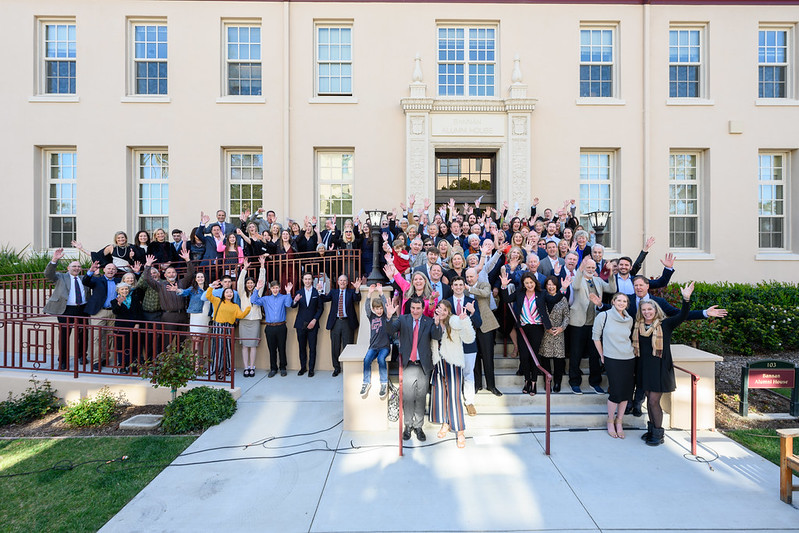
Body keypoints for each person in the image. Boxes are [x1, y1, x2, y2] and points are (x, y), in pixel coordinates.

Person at [634, 281, 695, 446]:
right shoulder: (637, 326)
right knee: (648, 399)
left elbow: (682, 315)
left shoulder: (665, 324)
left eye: (650, 309)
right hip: (644, 368)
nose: (647, 312)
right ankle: (651, 430)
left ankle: (659, 434)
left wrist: (686, 299)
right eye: (644, 310)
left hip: (660, 369)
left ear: (656, 310)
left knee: (654, 401)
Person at [501, 271, 568, 395]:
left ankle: (534, 382)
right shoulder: (520, 293)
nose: (529, 285)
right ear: (523, 284)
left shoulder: (542, 293)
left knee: (534, 356)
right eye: (526, 283)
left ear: (534, 282)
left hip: (537, 328)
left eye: (531, 282)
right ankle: (526, 380)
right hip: (522, 328)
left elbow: (554, 299)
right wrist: (504, 286)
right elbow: (506, 299)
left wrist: (563, 288)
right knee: (524, 357)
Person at [386, 297, 443, 442]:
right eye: (413, 308)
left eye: (418, 308)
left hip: (423, 366)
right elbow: (390, 331)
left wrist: (437, 323)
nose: (415, 311)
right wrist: (388, 316)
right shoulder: (403, 319)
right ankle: (408, 426)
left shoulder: (429, 321)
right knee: (408, 398)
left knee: (421, 397)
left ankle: (418, 427)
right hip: (408, 365)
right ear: (409, 308)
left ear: (423, 308)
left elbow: (436, 336)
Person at [429, 300, 475, 449]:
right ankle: (445, 424)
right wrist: (435, 322)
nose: (441, 312)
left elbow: (469, 338)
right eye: (439, 308)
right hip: (438, 363)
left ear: (448, 311)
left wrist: (465, 320)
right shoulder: (433, 322)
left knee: (454, 396)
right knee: (441, 395)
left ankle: (460, 431)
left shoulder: (454, 321)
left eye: (444, 310)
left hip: (452, 363)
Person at [568, 258, 616, 394]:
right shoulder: (577, 279)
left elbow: (612, 289)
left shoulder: (598, 281)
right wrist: (580, 269)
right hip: (578, 323)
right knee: (576, 354)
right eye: (588, 267)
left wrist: (610, 273)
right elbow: (576, 286)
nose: (590, 270)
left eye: (593, 268)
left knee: (595, 355)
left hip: (595, 323)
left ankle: (595, 382)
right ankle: (574, 382)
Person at [592, 292, 634, 438]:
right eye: (619, 300)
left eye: (624, 301)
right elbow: (595, 337)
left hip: (629, 358)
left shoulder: (629, 319)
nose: (621, 303)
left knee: (626, 393)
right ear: (613, 302)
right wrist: (602, 355)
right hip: (611, 358)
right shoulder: (604, 316)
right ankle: (610, 421)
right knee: (616, 391)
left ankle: (619, 421)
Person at [44, 248, 87, 370]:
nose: (76, 268)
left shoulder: (83, 278)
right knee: (64, 335)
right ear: (68, 268)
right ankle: (63, 359)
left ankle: (82, 356)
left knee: (83, 334)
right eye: (74, 266)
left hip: (82, 309)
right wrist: (54, 260)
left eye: (78, 266)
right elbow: (48, 274)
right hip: (66, 310)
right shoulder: (61, 277)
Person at [447, 276, 482, 416]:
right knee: (453, 374)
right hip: (452, 344)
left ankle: (469, 402)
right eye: (455, 284)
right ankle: (453, 400)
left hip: (469, 344)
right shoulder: (447, 303)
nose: (458, 287)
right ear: (452, 287)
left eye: (461, 284)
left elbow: (479, 324)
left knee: (468, 373)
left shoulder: (471, 302)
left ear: (464, 286)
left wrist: (472, 312)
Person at [465, 267, 502, 396]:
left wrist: (469, 289)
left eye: (471, 276)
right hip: (471, 327)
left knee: (488, 357)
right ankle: (477, 384)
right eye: (467, 277)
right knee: (474, 358)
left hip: (486, 325)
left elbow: (486, 294)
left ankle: (491, 385)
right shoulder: (463, 289)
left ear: (476, 276)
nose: (469, 279)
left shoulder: (484, 285)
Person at [204, 282, 251, 379]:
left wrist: (248, 308)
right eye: (227, 292)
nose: (229, 294)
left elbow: (240, 315)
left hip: (229, 327)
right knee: (217, 348)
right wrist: (211, 287)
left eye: (231, 292)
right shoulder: (218, 301)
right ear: (223, 294)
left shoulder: (235, 306)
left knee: (228, 348)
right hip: (218, 326)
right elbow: (208, 296)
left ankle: (227, 367)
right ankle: (215, 368)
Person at [251, 280, 295, 378]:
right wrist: (257, 289)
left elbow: (288, 304)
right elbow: (253, 301)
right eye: (273, 288)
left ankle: (283, 368)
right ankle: (273, 368)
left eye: (277, 288)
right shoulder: (266, 299)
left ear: (279, 288)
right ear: (270, 289)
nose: (275, 290)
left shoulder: (284, 297)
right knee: (272, 349)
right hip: (270, 327)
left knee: (282, 348)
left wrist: (288, 292)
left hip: (281, 326)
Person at [320, 274, 362, 376]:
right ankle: (336, 368)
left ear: (347, 283)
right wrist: (320, 291)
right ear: (338, 282)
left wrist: (357, 289)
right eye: (341, 280)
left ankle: (348, 368)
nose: (342, 282)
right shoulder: (333, 292)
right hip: (335, 322)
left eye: (344, 281)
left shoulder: (351, 292)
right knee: (335, 346)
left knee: (348, 345)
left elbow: (357, 299)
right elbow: (324, 299)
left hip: (347, 322)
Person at [83, 260, 118, 369]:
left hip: (113, 312)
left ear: (116, 271)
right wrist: (90, 272)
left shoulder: (119, 281)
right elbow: (86, 282)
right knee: (97, 337)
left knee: (110, 336)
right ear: (104, 270)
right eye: (109, 268)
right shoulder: (97, 280)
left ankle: (105, 358)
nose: (111, 270)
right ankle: (96, 361)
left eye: (113, 269)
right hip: (99, 311)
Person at [361, 284, 394, 399]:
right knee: (366, 360)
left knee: (381, 359)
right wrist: (369, 294)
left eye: (380, 308)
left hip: (384, 346)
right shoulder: (371, 317)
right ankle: (366, 382)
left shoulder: (385, 316)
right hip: (373, 346)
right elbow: (366, 307)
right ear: (374, 309)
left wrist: (381, 292)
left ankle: (383, 383)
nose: (379, 310)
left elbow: (386, 306)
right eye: (377, 309)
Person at [539, 275, 570, 392]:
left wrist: (562, 328)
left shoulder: (562, 298)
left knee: (559, 360)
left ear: (557, 286)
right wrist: (546, 327)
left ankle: (557, 383)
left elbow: (567, 316)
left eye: (553, 284)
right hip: (545, 332)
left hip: (559, 333)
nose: (551, 287)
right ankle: (547, 382)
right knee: (545, 359)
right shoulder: (543, 297)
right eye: (549, 284)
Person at [237, 258, 266, 377]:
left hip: (254, 321)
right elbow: (239, 282)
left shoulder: (258, 292)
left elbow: (262, 281)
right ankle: (246, 367)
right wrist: (244, 269)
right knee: (244, 346)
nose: (250, 284)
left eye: (251, 283)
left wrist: (262, 266)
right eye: (248, 283)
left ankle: (252, 367)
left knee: (253, 345)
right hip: (244, 321)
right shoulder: (242, 293)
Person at [292, 272, 323, 377]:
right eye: (305, 279)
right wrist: (295, 301)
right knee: (302, 347)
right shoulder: (299, 292)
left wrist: (314, 320)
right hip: (300, 324)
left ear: (312, 280)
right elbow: (293, 306)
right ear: (302, 280)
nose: (307, 281)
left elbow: (320, 308)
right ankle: (303, 368)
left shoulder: (316, 292)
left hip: (313, 324)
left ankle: (311, 369)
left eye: (309, 279)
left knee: (312, 347)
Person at [110, 282, 144, 374]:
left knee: (134, 345)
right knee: (122, 347)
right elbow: (115, 311)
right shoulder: (114, 301)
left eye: (126, 289)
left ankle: (132, 365)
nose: (125, 291)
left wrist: (137, 324)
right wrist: (119, 303)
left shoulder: (135, 299)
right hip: (121, 327)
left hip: (134, 326)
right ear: (118, 291)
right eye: (122, 289)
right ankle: (122, 365)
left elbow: (140, 312)